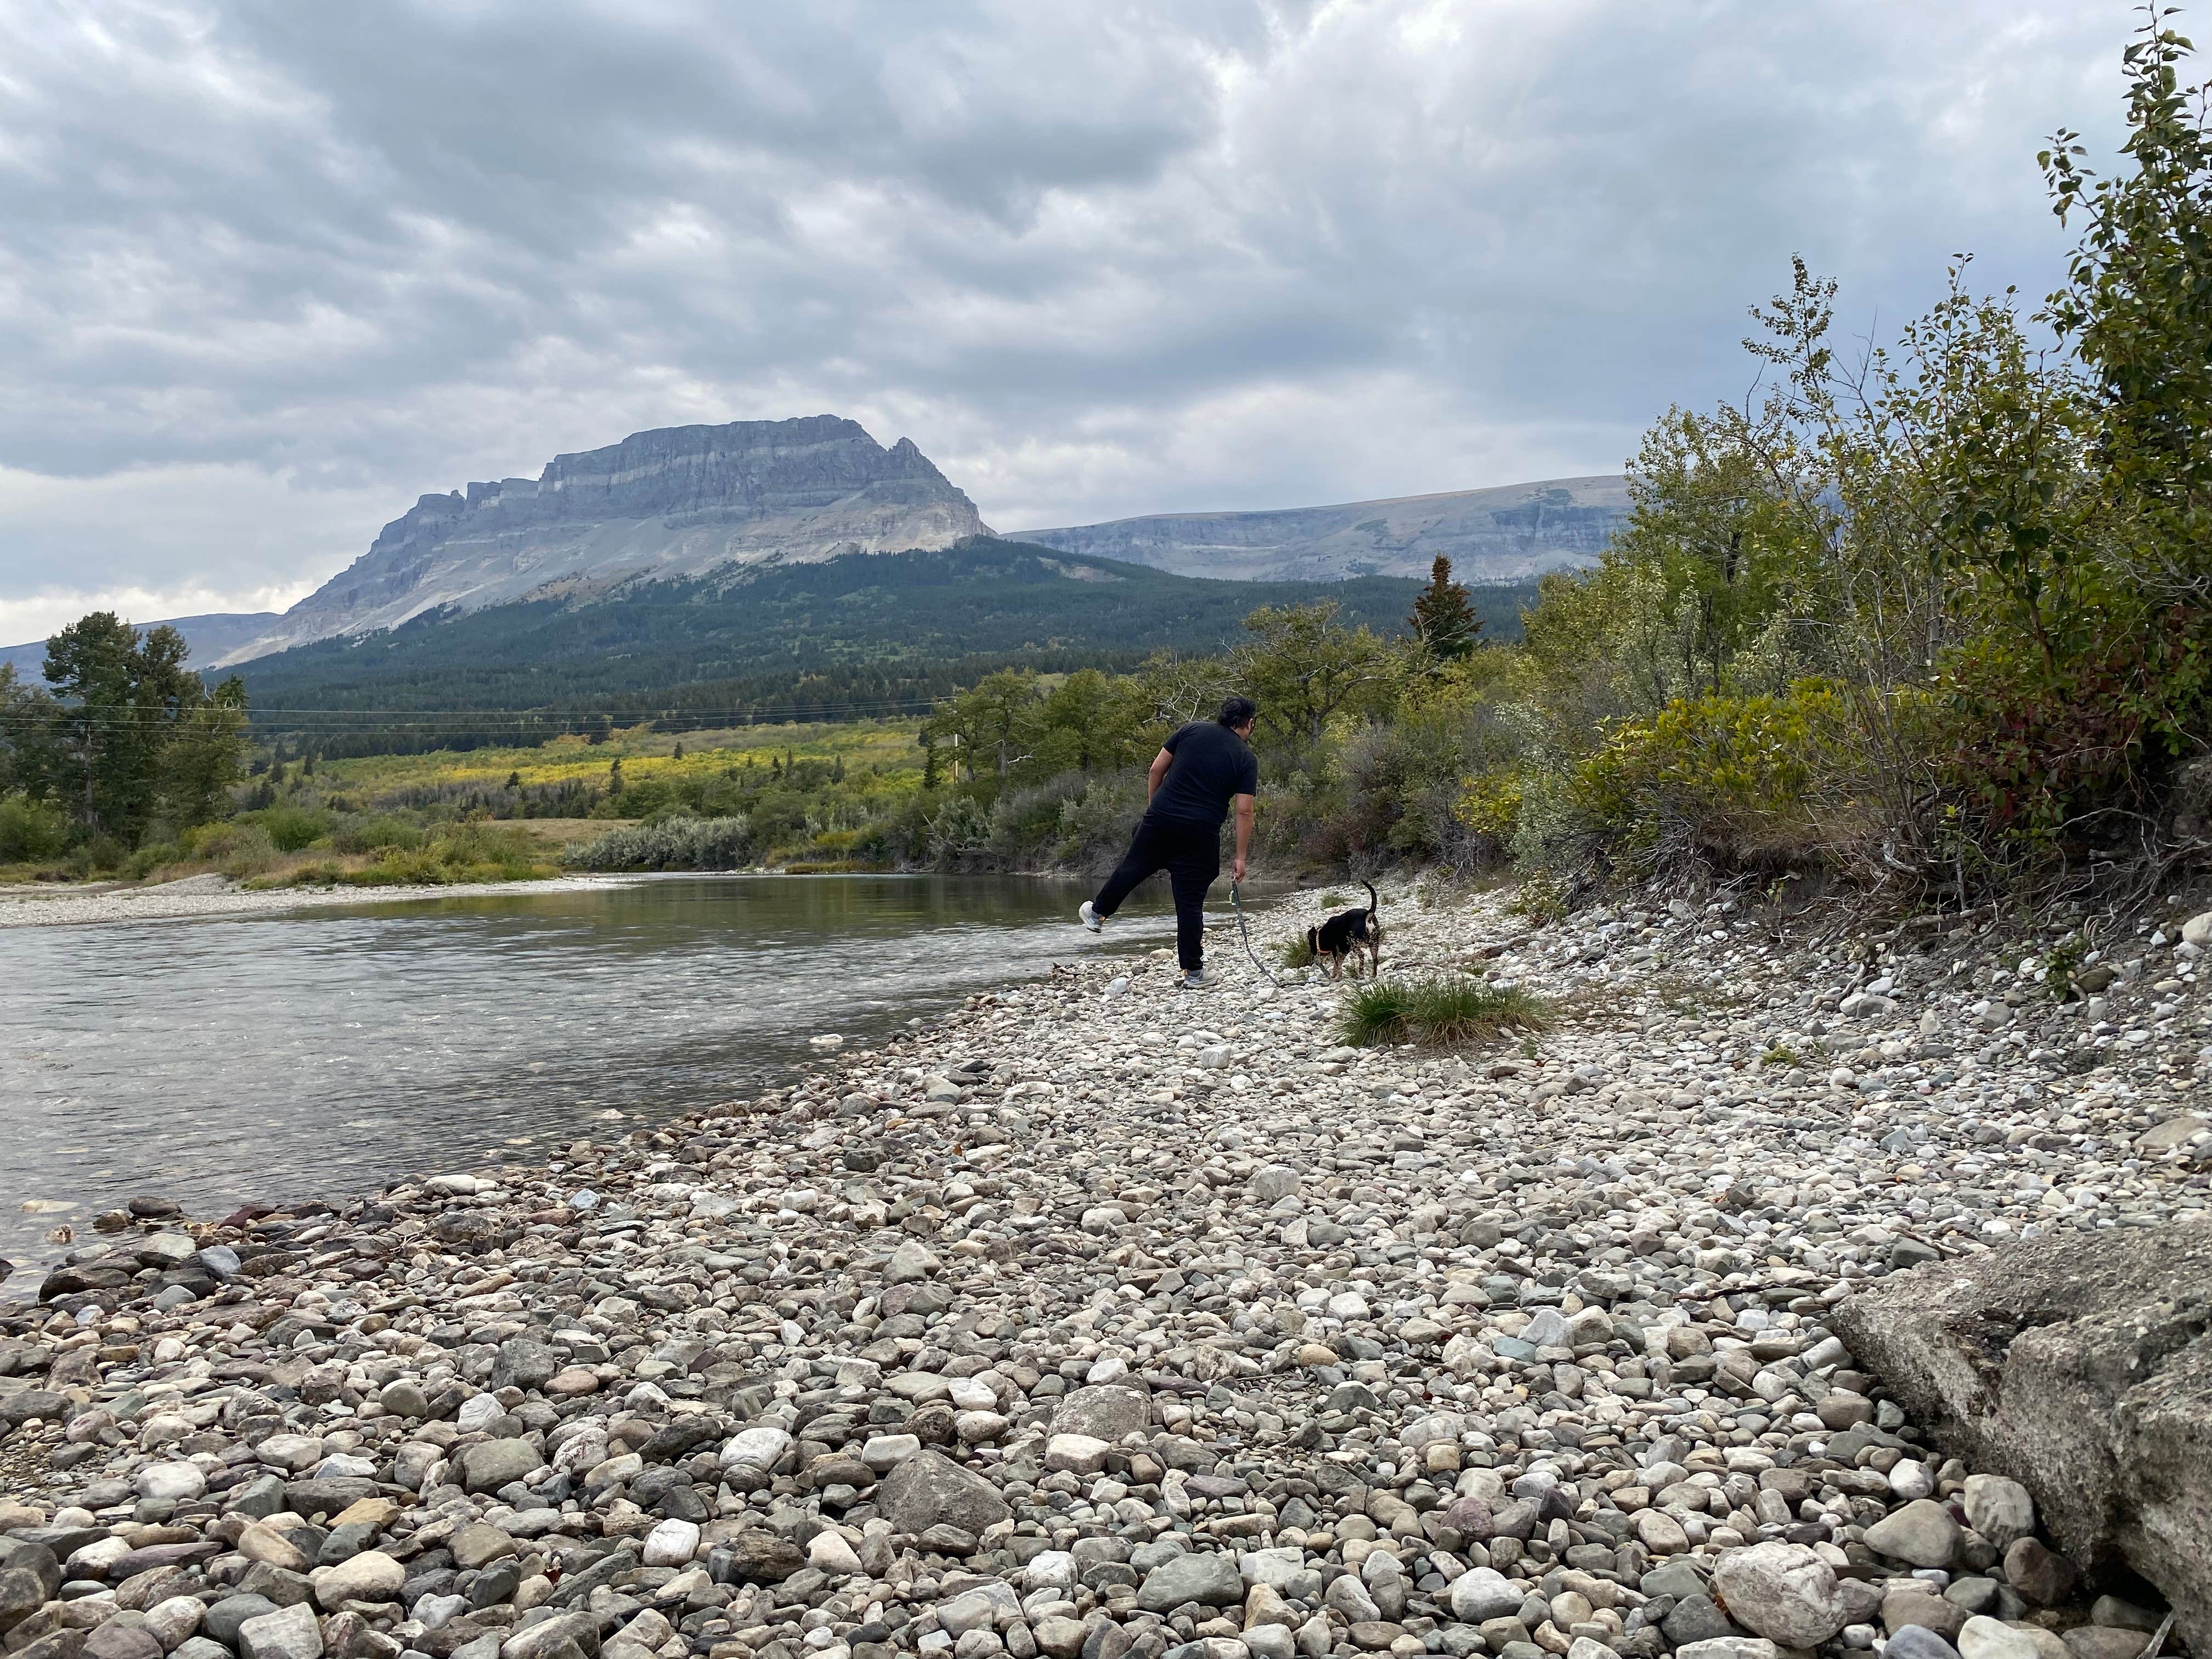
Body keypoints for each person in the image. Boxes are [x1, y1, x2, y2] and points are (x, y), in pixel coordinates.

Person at [1079, 695, 1258, 990]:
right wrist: (1240, 856)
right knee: (1189, 904)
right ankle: (1194, 972)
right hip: (1201, 833)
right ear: (1249, 724)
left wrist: (1155, 810)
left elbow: (1156, 770)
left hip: (1161, 820)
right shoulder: (1245, 759)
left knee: (1132, 868)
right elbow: (1244, 810)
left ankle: (1097, 914)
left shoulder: (1190, 730)